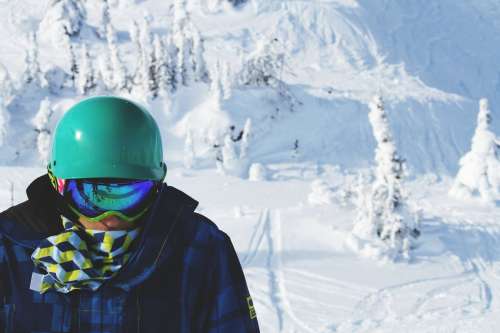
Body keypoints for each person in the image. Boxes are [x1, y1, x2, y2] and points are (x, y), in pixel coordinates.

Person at [0, 96, 260, 333]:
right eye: (91, 196)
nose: (111, 218)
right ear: (57, 184)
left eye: (130, 195)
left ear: (157, 188)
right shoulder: (10, 247)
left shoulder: (200, 248)